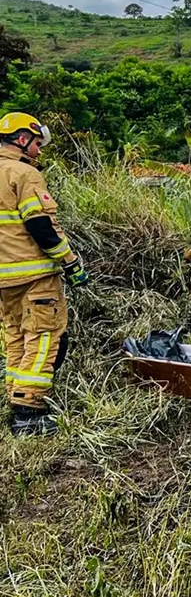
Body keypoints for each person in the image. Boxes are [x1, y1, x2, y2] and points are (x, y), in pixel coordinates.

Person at [0, 112, 89, 436]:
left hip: (5, 280)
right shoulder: (24, 173)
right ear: (22, 139)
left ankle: (16, 400)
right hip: (35, 276)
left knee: (15, 338)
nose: (39, 150)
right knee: (43, 339)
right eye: (37, 143)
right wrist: (70, 262)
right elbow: (41, 226)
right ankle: (29, 414)